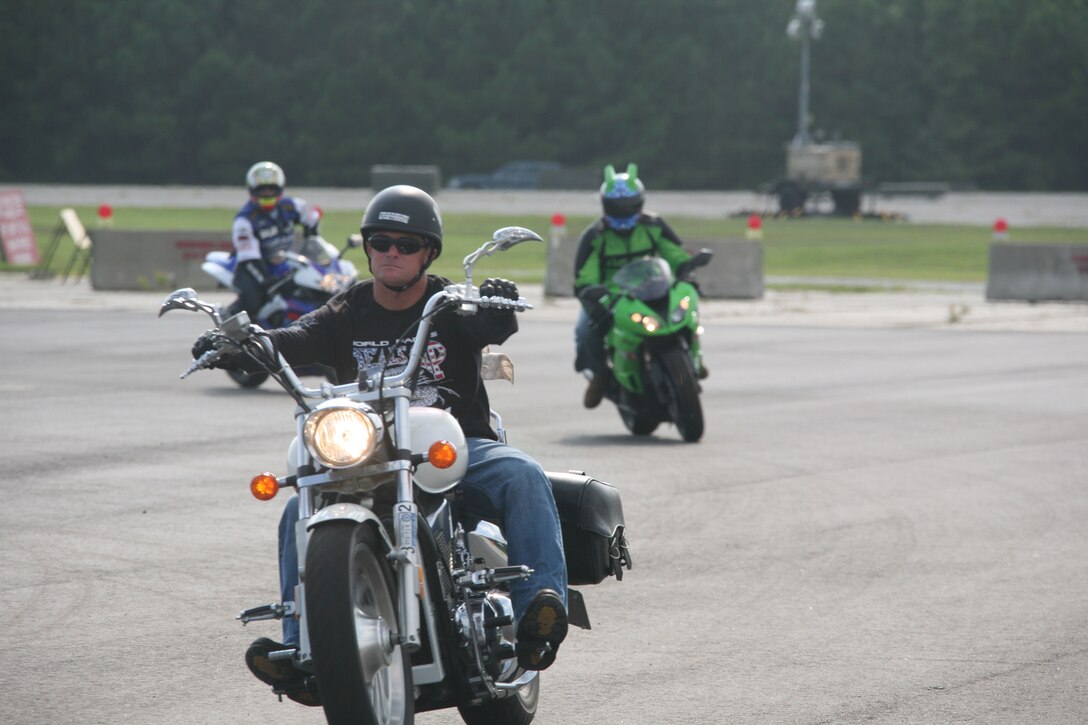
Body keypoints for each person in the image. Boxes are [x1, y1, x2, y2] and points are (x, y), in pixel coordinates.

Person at [203, 185, 568, 700]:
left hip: (456, 447)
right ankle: (301, 649)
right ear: (368, 247)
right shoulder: (346, 310)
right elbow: (291, 338)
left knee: (523, 473)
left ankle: (540, 612)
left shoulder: (447, 304)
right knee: (295, 511)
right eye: (380, 242)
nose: (392, 252)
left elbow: (490, 323)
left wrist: (498, 304)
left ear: (428, 253)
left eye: (406, 243)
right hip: (370, 454)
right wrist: (238, 345)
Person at [573, 163, 693, 408]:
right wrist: (591, 293)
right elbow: (585, 275)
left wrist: (686, 266)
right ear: (605, 205)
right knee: (584, 331)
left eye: (628, 206)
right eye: (616, 207)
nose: (622, 211)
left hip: (654, 288)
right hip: (614, 297)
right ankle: (600, 374)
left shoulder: (653, 224)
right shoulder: (596, 235)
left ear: (640, 203)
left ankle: (692, 361)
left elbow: (674, 251)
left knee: (687, 308)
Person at [229, 161, 323, 319]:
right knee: (253, 301)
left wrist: (312, 244)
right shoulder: (244, 220)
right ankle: (232, 332)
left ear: (280, 188)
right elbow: (249, 258)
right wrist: (267, 281)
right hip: (254, 266)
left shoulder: (292, 206)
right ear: (252, 190)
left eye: (271, 188)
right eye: (262, 189)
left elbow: (312, 218)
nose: (267, 193)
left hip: (283, 261)